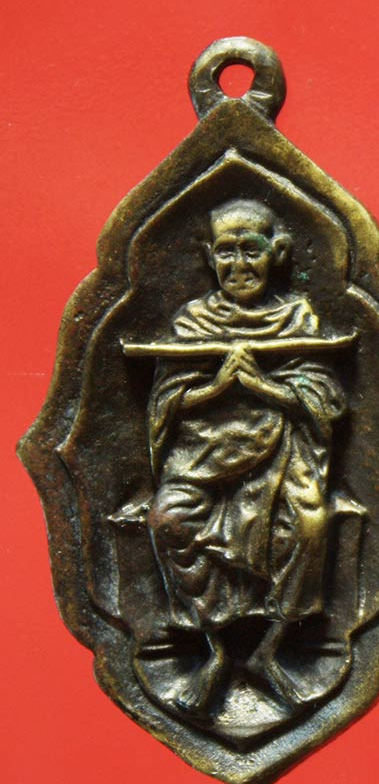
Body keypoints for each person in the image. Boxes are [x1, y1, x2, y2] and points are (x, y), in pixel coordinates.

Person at [146, 199, 346, 714]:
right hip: (204, 455)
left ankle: (269, 651)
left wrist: (261, 386)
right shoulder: (193, 320)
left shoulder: (297, 316)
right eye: (226, 252)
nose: (238, 265)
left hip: (281, 450)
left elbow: (325, 399)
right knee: (168, 517)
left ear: (277, 253)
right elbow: (166, 401)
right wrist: (218, 386)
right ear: (209, 256)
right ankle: (213, 650)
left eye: (250, 250)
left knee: (309, 524)